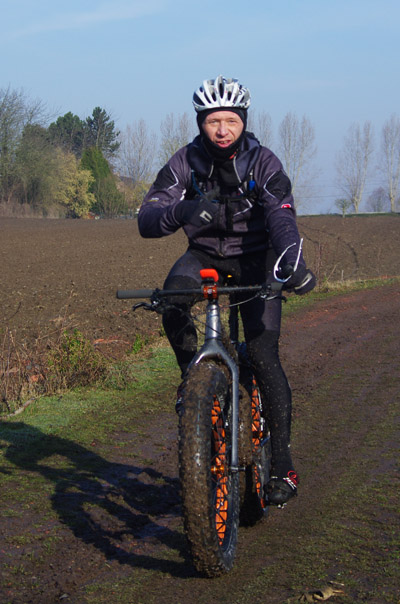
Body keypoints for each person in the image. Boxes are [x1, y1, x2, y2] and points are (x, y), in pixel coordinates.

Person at [138, 75, 316, 506]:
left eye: (231, 121)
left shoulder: (263, 162)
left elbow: (281, 216)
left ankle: (284, 466)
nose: (222, 130)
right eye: (213, 121)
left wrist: (291, 262)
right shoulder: (184, 162)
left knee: (263, 354)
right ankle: (192, 382)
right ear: (200, 122)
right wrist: (182, 210)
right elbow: (148, 219)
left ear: (244, 121)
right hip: (204, 256)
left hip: (256, 257)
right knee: (172, 303)